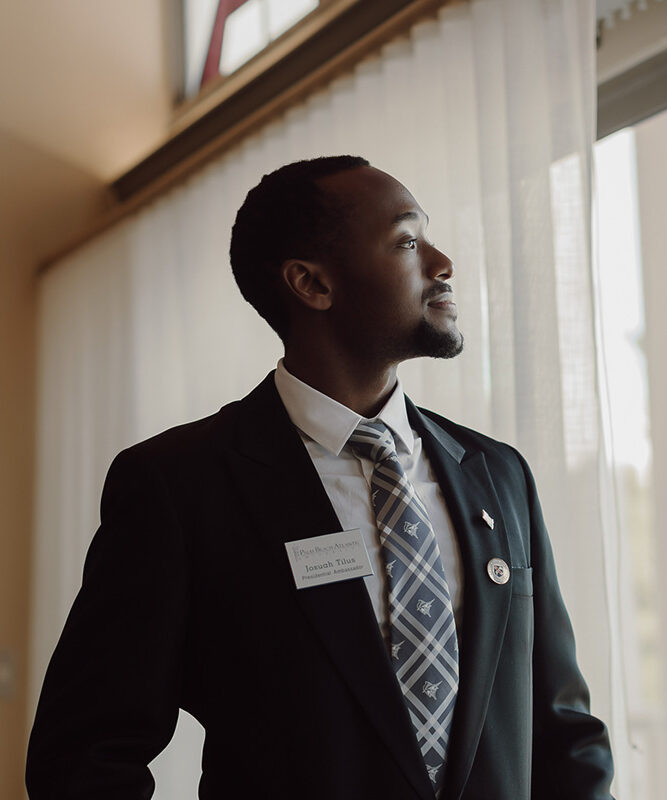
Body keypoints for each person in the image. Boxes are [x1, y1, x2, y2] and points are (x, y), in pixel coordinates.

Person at [26, 155, 615, 799]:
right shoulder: (178, 485)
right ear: (312, 284)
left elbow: (563, 734)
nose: (443, 263)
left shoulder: (499, 474)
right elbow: (84, 757)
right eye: (409, 241)